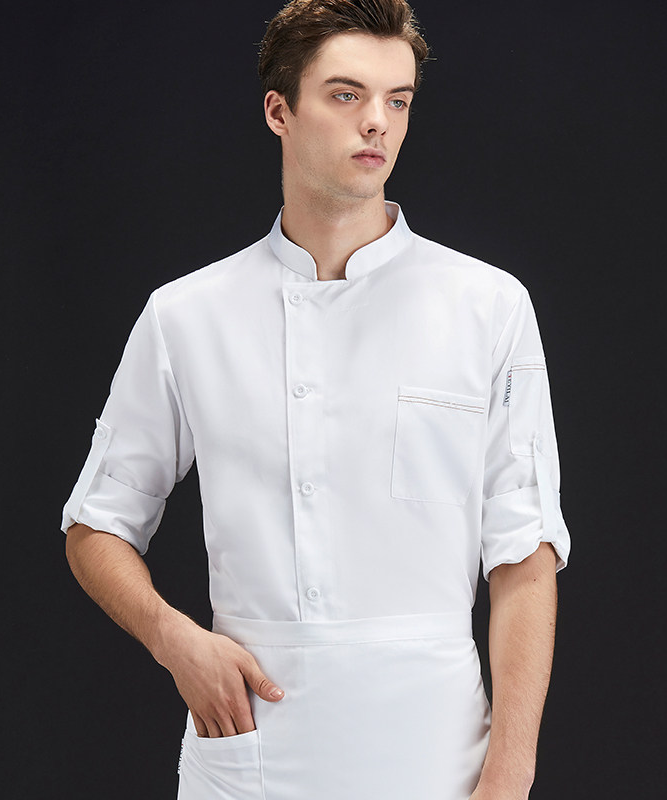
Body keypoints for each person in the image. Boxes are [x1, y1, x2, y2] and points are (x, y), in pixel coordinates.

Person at [61, 1, 571, 798]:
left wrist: (509, 774)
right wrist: (174, 640)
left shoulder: (488, 307)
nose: (377, 122)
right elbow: (95, 524)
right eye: (345, 94)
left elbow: (525, 558)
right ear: (279, 111)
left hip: (437, 755)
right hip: (251, 757)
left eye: (397, 100)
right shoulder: (187, 316)